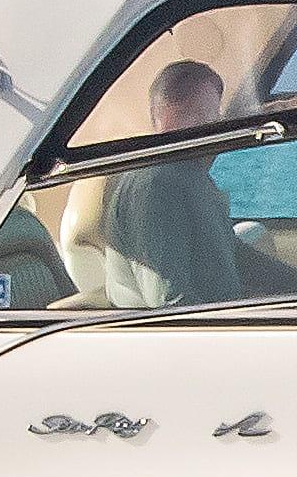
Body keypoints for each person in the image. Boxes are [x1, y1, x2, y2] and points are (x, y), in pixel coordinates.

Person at [51, 58, 249, 308]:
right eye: (200, 117)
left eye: (215, 118)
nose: (215, 129)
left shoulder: (190, 177)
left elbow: (234, 257)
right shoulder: (155, 185)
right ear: (167, 117)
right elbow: (170, 303)